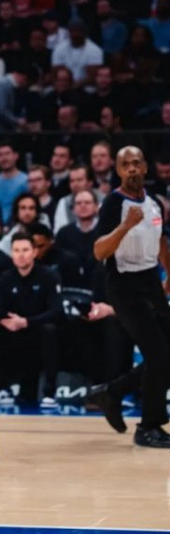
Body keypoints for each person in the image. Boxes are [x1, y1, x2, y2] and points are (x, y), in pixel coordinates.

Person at [92, 147, 170, 448]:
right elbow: (99, 251)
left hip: (151, 281)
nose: (132, 168)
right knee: (159, 355)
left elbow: (160, 239)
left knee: (165, 355)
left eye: (137, 162)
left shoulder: (154, 204)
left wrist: (168, 274)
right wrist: (125, 226)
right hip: (123, 285)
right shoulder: (113, 203)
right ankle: (148, 426)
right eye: (126, 164)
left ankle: (111, 393)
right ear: (119, 170)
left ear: (145, 167)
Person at [0, 232, 64, 406]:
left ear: (34, 252)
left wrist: (26, 322)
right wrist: (2, 321)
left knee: (50, 330)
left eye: (25, 250)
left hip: (38, 329)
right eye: (16, 250)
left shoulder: (49, 276)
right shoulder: (5, 278)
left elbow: (57, 311)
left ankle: (50, 391)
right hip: (14, 331)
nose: (20, 255)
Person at [55, 189, 100, 285]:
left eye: (87, 202)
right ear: (73, 209)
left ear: (96, 206)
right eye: (78, 203)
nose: (83, 206)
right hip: (70, 285)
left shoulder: (105, 231)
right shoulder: (63, 233)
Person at [0, 67, 34, 137]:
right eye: (25, 81)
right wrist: (17, 121)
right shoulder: (3, 86)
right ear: (22, 76)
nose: (24, 85)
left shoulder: (8, 86)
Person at [0, 140, 29, 223]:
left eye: (7, 154)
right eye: (0, 155)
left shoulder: (27, 181)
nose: (4, 158)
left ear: (16, 156)